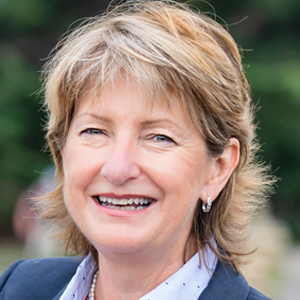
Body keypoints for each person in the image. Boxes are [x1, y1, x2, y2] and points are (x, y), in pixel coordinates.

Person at [0, 1, 274, 299]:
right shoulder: (18, 288)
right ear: (62, 152)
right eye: (94, 131)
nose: (118, 169)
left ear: (218, 169)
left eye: (159, 137)